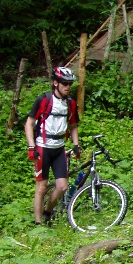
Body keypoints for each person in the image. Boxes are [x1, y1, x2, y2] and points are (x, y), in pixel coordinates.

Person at [25, 67, 81, 224]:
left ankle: (47, 212)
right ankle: (38, 223)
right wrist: (31, 147)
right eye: (64, 83)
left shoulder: (70, 103)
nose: (68, 86)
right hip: (42, 148)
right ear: (55, 83)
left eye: (70, 83)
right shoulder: (43, 100)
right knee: (41, 187)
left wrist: (76, 145)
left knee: (62, 187)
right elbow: (29, 124)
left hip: (59, 148)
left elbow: (73, 125)